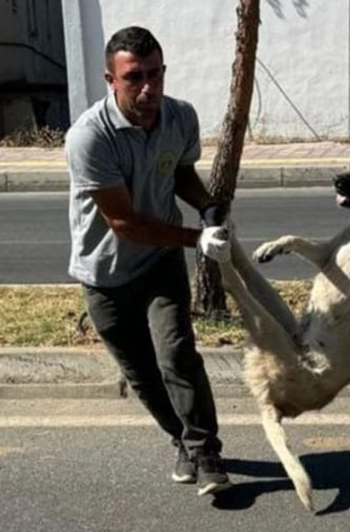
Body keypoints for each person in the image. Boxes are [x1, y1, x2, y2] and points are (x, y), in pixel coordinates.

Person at [64, 26, 233, 496]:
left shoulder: (179, 117)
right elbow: (123, 222)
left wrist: (209, 207)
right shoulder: (89, 138)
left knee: (177, 354)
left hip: (159, 261)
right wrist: (195, 237)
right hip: (104, 274)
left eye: (155, 75)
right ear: (110, 80)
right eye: (134, 77)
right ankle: (181, 438)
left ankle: (206, 452)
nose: (148, 88)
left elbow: (181, 172)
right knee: (141, 373)